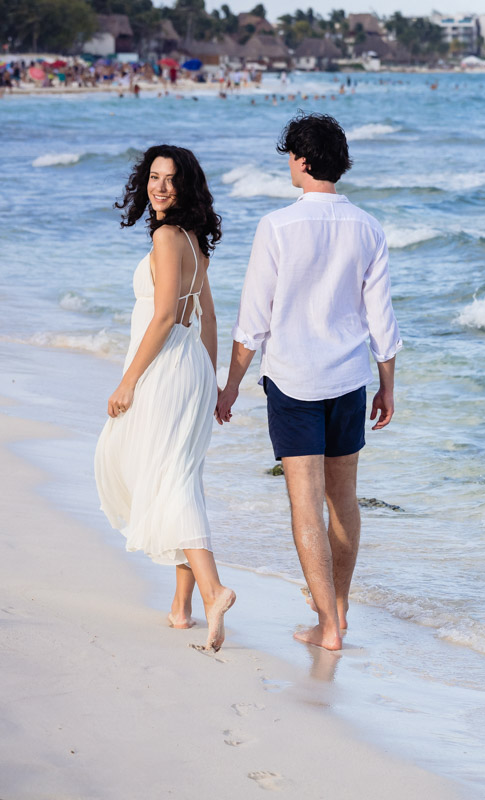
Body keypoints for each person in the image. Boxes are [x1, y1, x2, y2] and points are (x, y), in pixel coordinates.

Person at [216, 113, 401, 652]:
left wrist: (230, 387)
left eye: (290, 158)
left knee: (305, 504)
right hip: (348, 380)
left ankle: (328, 627)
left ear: (301, 159)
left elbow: (254, 320)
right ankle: (336, 608)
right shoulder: (368, 227)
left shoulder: (277, 226)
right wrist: (387, 385)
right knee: (344, 500)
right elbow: (381, 321)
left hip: (293, 381)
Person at [95, 145, 236, 651]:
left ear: (185, 186)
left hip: (168, 368)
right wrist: (216, 384)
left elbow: (161, 318)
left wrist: (128, 379)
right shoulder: (192, 239)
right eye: (153, 177)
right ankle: (181, 608)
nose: (159, 187)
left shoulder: (164, 237)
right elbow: (210, 318)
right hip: (192, 366)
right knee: (182, 477)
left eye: (170, 180)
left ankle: (214, 589)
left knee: (166, 479)